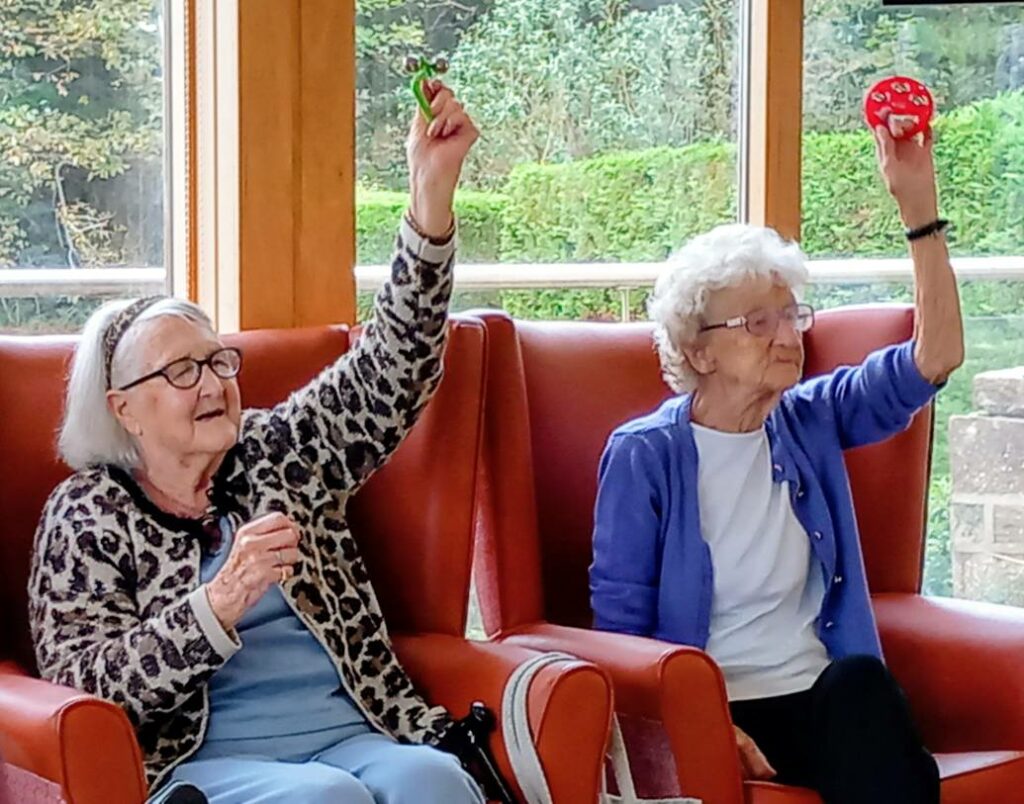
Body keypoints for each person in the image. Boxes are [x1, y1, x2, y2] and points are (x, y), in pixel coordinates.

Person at [29, 80, 484, 804]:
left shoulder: (279, 452)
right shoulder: (87, 514)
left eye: (217, 361)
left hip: (350, 732)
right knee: (325, 800)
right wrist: (219, 600)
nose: (212, 384)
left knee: (433, 778)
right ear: (125, 409)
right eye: (181, 371)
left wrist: (430, 199)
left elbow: (392, 369)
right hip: (199, 761)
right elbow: (84, 684)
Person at [590, 121, 961, 803]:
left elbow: (933, 360)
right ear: (698, 350)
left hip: (824, 702)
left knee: (861, 687)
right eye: (758, 323)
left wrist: (919, 213)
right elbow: (621, 630)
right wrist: (696, 722)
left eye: (793, 316)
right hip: (719, 715)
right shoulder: (644, 456)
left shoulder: (809, 420)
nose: (789, 336)